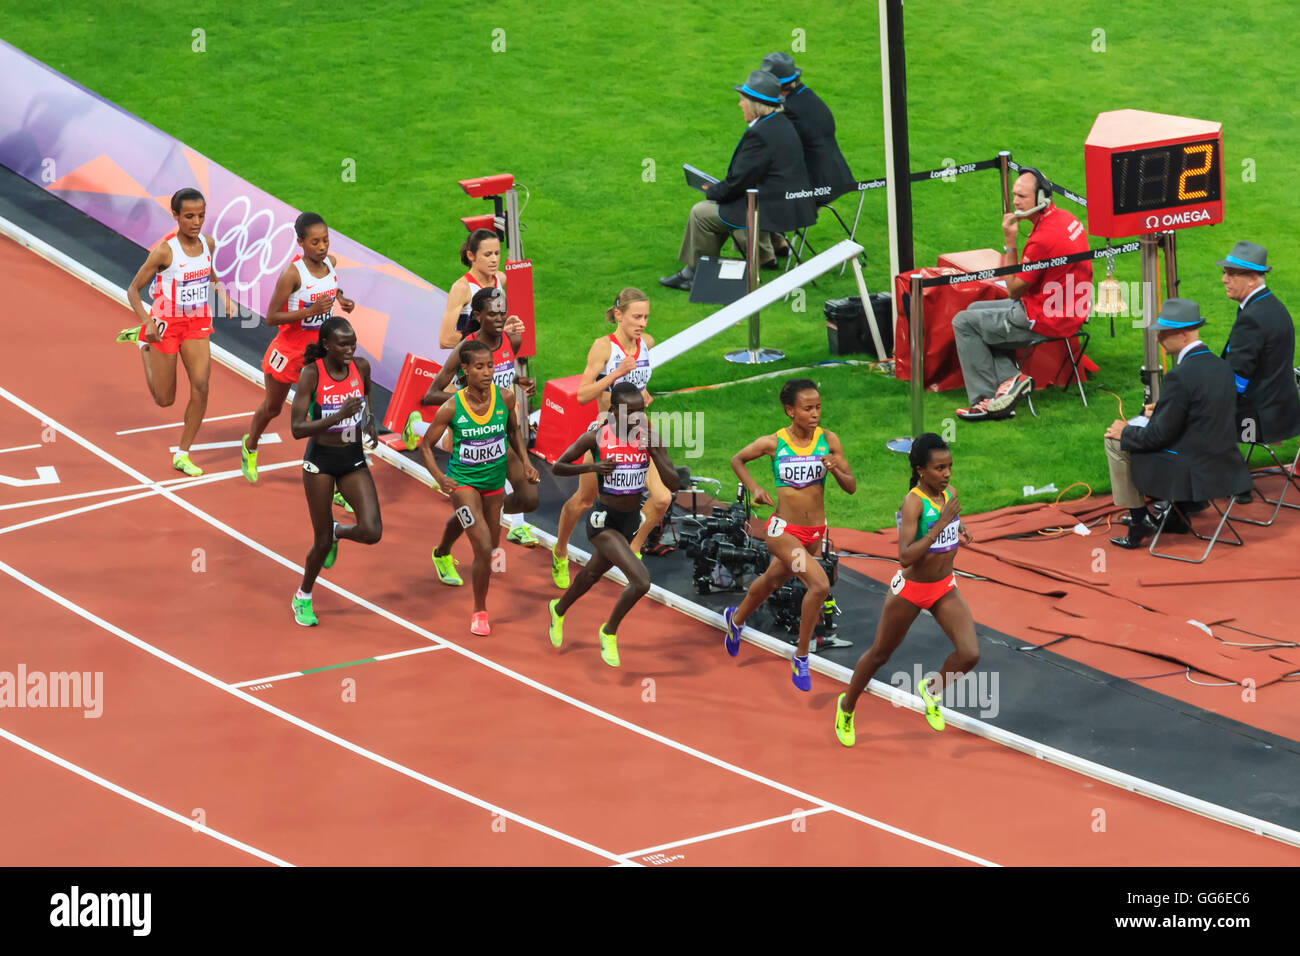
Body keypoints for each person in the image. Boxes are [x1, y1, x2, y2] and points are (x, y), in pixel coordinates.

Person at [834, 434, 976, 746]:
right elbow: (905, 555)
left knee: (969, 654)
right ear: (921, 470)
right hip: (911, 589)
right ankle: (846, 707)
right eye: (939, 468)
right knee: (879, 654)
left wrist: (959, 526)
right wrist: (942, 525)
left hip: (943, 588)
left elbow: (949, 518)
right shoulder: (912, 503)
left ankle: (932, 690)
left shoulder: (947, 493)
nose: (947, 473)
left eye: (950, 466)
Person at [722, 379, 856, 692]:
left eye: (818, 407)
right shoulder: (774, 443)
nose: (815, 414)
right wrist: (755, 488)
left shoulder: (829, 440)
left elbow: (851, 487)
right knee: (819, 585)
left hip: (815, 532)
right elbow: (737, 459)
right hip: (782, 530)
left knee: (772, 581)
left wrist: (835, 469)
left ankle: (736, 619)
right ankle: (802, 655)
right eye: (807, 408)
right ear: (790, 411)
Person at [409, 287, 541, 581]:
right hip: (470, 438)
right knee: (473, 509)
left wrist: (518, 381)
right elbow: (432, 393)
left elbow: (501, 376)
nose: (498, 317)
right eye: (492, 313)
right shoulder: (464, 349)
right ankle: (443, 552)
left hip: (501, 438)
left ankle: (487, 511)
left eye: (502, 311)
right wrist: (469, 396)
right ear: (478, 315)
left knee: (529, 498)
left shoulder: (512, 340)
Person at [547, 383, 680, 667]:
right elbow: (559, 466)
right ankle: (609, 631)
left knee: (592, 574)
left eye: (640, 412)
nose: (636, 419)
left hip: (629, 522)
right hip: (603, 521)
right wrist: (592, 468)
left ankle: (558, 610)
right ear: (613, 412)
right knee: (641, 581)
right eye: (629, 413)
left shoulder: (651, 439)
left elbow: (674, 482)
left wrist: (654, 453)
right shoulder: (596, 437)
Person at [1104, 299, 1254, 549]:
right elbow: (1205, 413)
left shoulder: (1179, 376)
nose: (1157, 339)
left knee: (1115, 441)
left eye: (1163, 333)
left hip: (1191, 470)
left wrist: (1126, 431)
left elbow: (1157, 437)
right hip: (1224, 464)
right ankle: (1178, 513)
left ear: (1183, 334)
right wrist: (1163, 411)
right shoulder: (1221, 367)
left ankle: (1140, 519)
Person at [951, 168, 1092, 421]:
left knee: (963, 322)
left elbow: (1014, 290)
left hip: (1045, 319)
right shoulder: (1068, 219)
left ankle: (985, 401)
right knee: (975, 313)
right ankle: (1012, 381)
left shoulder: (1042, 240)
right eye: (1015, 195)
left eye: (1022, 196)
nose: (1015, 201)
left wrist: (1010, 243)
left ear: (1041, 199)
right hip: (1072, 310)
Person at [417, 338, 536, 635]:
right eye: (480, 367)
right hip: (464, 483)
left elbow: (513, 431)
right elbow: (426, 446)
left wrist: (526, 463)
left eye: (491, 366)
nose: (487, 372)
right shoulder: (451, 407)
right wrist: (440, 478)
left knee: (492, 543)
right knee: (484, 548)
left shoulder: (505, 398)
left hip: (494, 484)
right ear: (466, 370)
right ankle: (479, 610)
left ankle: (442, 550)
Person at [118, 187, 239, 477]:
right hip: (165, 324)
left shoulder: (208, 243)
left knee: (201, 386)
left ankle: (183, 453)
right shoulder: (164, 251)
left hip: (197, 321)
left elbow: (209, 271)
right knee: (165, 399)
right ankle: (143, 344)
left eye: (201, 216)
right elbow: (133, 289)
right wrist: (147, 321)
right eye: (189, 216)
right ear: (175, 216)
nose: (196, 222)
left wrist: (223, 296)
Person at [659, 70, 816, 291]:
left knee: (701, 213)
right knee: (713, 208)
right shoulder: (780, 123)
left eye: (743, 100)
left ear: (755, 105)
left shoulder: (760, 134)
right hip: (786, 203)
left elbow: (738, 182)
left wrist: (711, 190)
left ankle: (696, 274)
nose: (740, 104)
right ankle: (696, 270)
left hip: (768, 208)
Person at [550, 289, 665, 589]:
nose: (642, 323)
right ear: (618, 315)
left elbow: (639, 383)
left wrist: (641, 394)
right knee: (585, 500)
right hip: (607, 433)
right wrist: (616, 375)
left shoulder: (647, 344)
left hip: (638, 432)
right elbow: (582, 395)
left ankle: (633, 548)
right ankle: (560, 550)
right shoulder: (604, 348)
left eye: (646, 317)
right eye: (636, 317)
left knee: (662, 498)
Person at [241, 212, 355, 486]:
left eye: (325, 240)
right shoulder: (292, 275)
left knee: (326, 414)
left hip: (321, 356)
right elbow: (271, 317)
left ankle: (337, 477)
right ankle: (250, 445)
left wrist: (342, 299)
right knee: (273, 408)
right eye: (315, 242)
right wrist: (311, 311)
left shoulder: (331, 263)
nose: (322, 247)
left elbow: (331, 288)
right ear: (300, 242)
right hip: (289, 352)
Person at [287, 316, 383, 626]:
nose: (349, 348)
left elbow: (367, 394)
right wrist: (338, 415)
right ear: (327, 345)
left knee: (372, 532)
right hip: (321, 463)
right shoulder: (311, 375)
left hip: (352, 457)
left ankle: (340, 531)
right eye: (343, 344)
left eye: (352, 342)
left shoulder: (361, 367)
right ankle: (303, 595)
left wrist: (369, 421)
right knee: (321, 540)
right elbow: (298, 429)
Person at [1216, 241, 1300, 448]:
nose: (1223, 279)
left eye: (1231, 274)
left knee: (1190, 421)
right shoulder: (1273, 306)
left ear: (1253, 278)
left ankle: (1227, 478)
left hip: (1255, 420)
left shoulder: (1252, 317)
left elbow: (1237, 376)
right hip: (1281, 411)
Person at [759, 52, 856, 203]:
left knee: (757, 200)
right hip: (838, 176)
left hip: (814, 187)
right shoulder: (808, 96)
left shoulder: (788, 109)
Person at [436, 229, 525, 350]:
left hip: (494, 361)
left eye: (497, 253)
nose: (494, 260)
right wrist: (492, 335)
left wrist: (508, 327)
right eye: (487, 254)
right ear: (471, 256)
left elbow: (490, 322)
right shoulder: (462, 289)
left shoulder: (500, 278)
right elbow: (446, 340)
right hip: (472, 364)